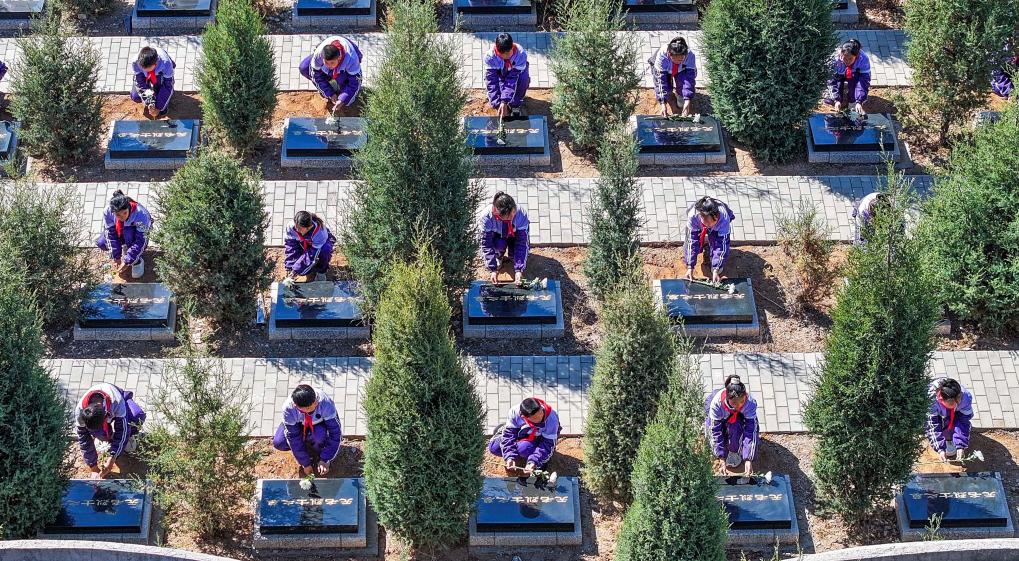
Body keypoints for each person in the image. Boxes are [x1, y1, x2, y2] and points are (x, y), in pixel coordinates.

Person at [75, 383, 146, 479]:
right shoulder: (80, 412)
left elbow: (122, 430)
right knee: (101, 433)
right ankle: (103, 437)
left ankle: (127, 437)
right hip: (103, 415)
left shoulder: (117, 402)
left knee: (137, 416)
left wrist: (112, 458)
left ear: (105, 416)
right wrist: (93, 467)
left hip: (118, 402)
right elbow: (84, 441)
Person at [272, 384, 343, 476]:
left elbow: (335, 433)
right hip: (299, 424)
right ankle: (307, 448)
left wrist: (325, 459)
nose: (316, 404)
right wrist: (305, 463)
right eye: (308, 408)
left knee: (319, 436)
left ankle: (319, 451)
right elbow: (293, 436)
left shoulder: (325, 403)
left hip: (320, 423)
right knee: (279, 442)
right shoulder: (288, 409)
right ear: (296, 406)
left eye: (315, 402)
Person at [488, 397, 560, 475]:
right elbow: (509, 435)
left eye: (541, 412)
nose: (541, 417)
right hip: (522, 431)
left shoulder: (551, 419)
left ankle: (539, 461)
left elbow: (547, 444)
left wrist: (534, 461)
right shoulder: (514, 412)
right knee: (494, 447)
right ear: (524, 417)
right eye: (535, 418)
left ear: (540, 407)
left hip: (539, 437)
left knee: (524, 448)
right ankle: (516, 453)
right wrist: (509, 456)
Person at [705, 375, 759, 477]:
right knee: (712, 429)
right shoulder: (716, 404)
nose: (739, 405)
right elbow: (715, 431)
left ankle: (734, 451)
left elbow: (751, 430)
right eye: (734, 403)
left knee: (736, 428)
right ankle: (722, 451)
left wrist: (748, 458)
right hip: (721, 415)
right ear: (727, 398)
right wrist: (721, 457)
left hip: (736, 417)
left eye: (742, 401)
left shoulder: (750, 403)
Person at [96, 190, 153, 279]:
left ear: (129, 207)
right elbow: (111, 234)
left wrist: (128, 260)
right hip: (120, 231)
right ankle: (126, 248)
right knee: (102, 243)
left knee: (128, 233)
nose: (122, 217)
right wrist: (116, 257)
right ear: (113, 212)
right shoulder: (107, 211)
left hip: (135, 234)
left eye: (125, 213)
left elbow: (141, 240)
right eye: (118, 215)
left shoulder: (141, 215)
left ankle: (136, 260)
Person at [299, 36, 363, 113]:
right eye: (326, 62)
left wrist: (343, 99)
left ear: (339, 58)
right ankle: (330, 83)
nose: (329, 66)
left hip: (347, 61)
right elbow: (316, 76)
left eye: (332, 63)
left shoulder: (352, 59)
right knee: (304, 68)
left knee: (341, 80)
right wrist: (330, 93)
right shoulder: (318, 56)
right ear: (322, 57)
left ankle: (340, 87)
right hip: (327, 58)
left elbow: (355, 82)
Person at [481, 191, 530, 285]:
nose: (513, 216)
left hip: (514, 235)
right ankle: (498, 257)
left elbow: (522, 242)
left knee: (515, 253)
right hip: (497, 235)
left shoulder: (521, 214)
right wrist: (493, 269)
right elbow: (486, 244)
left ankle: (514, 258)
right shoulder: (486, 217)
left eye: (514, 212)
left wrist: (519, 269)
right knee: (499, 244)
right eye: (510, 216)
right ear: (499, 215)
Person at [684, 196, 735, 283]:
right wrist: (690, 266)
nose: (708, 225)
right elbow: (690, 241)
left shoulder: (724, 219)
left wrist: (716, 269)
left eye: (710, 223)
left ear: (717, 216)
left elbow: (722, 245)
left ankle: (715, 264)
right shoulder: (693, 216)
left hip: (718, 227)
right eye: (705, 222)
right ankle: (703, 242)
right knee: (695, 240)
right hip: (697, 224)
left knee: (715, 241)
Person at [926, 377, 974, 462]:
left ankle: (951, 438)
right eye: (952, 403)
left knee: (955, 421)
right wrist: (940, 449)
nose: (956, 404)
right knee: (938, 423)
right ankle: (943, 440)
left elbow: (963, 422)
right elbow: (932, 426)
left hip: (950, 410)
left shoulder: (965, 397)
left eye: (958, 400)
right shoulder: (930, 401)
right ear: (941, 399)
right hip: (936, 409)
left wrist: (960, 445)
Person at [484, 33, 530, 118]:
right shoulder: (490, 57)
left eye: (508, 53)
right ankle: (500, 106)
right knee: (499, 90)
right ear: (497, 49)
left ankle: (515, 105)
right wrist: (498, 104)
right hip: (502, 73)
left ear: (512, 47)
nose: (506, 56)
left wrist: (504, 101)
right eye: (502, 54)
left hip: (518, 73)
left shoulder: (521, 54)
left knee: (522, 81)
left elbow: (512, 80)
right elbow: (492, 81)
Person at [649, 36, 697, 117]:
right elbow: (660, 81)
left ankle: (681, 96)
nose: (678, 62)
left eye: (681, 60)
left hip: (681, 69)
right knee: (667, 87)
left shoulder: (690, 55)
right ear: (669, 54)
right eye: (675, 60)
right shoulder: (662, 56)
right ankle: (668, 96)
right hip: (665, 70)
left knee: (682, 84)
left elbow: (689, 78)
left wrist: (687, 99)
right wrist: (663, 103)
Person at [283, 211, 335, 281]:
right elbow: (291, 246)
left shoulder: (321, 234)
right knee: (299, 267)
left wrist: (297, 269)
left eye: (300, 228)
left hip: (320, 244)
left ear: (309, 227)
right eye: (296, 227)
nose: (297, 230)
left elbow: (311, 254)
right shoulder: (291, 227)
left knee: (325, 250)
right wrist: (291, 265)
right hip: (304, 242)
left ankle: (321, 271)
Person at [824, 38, 871, 116]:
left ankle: (853, 101)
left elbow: (863, 81)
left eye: (850, 59)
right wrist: (836, 100)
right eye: (845, 58)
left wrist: (859, 101)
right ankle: (837, 101)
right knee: (832, 94)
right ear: (841, 54)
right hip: (838, 74)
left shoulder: (863, 59)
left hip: (854, 74)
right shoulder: (834, 59)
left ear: (856, 56)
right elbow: (831, 80)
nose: (847, 61)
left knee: (855, 83)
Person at [130, 46, 175, 117]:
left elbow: (167, 86)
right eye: (143, 68)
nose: (145, 70)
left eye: (148, 68)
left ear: (156, 63)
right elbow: (140, 82)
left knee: (159, 92)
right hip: (144, 75)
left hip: (160, 74)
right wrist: (149, 101)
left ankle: (162, 104)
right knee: (136, 97)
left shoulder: (166, 64)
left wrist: (158, 107)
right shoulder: (135, 62)